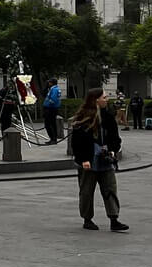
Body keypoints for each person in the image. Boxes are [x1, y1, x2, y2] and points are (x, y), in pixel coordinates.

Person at [69, 87, 128, 232]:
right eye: (104, 97)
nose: (107, 100)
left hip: (105, 159)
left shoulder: (108, 117)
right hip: (89, 159)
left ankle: (114, 218)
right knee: (86, 191)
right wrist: (83, 159)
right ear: (96, 100)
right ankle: (87, 219)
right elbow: (76, 143)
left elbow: (115, 138)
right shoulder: (83, 119)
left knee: (110, 189)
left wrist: (113, 150)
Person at [42, 77, 63, 143]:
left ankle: (53, 138)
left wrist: (48, 105)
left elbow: (53, 99)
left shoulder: (54, 89)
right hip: (52, 108)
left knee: (49, 124)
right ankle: (52, 139)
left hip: (51, 108)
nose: (48, 83)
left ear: (52, 83)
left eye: (49, 82)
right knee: (51, 124)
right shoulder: (55, 89)